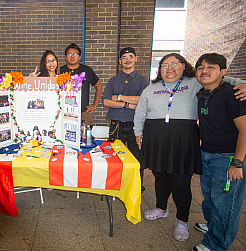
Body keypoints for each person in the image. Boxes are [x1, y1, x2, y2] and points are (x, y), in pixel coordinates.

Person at [133, 53, 246, 242]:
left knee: (180, 181)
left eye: (175, 64)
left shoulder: (195, 82)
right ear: (159, 69)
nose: (170, 68)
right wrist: (138, 133)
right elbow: (140, 112)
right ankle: (161, 208)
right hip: (156, 139)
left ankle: (182, 221)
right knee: (159, 176)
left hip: (183, 141)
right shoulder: (150, 89)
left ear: (184, 66)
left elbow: (224, 79)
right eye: (164, 65)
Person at [193, 53, 246, 251]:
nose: (204, 71)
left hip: (228, 157)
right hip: (206, 153)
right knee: (210, 197)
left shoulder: (234, 94)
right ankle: (213, 226)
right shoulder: (202, 92)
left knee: (226, 204)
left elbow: (245, 130)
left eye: (211, 67)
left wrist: (237, 162)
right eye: (200, 67)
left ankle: (216, 245)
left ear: (223, 72)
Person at [103, 47, 149, 192]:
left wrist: (119, 97)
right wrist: (129, 104)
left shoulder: (143, 80)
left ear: (136, 59)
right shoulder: (113, 81)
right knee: (114, 156)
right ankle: (116, 185)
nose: (127, 60)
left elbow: (143, 100)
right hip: (116, 124)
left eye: (130, 56)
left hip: (136, 125)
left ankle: (137, 187)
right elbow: (106, 102)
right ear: (120, 61)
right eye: (124, 57)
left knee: (137, 158)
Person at [60, 43, 103, 125]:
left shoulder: (87, 70)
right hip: (64, 112)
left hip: (83, 112)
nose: (72, 56)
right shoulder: (60, 71)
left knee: (86, 135)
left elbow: (98, 86)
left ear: (79, 57)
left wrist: (95, 105)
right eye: (69, 54)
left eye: (75, 54)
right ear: (65, 57)